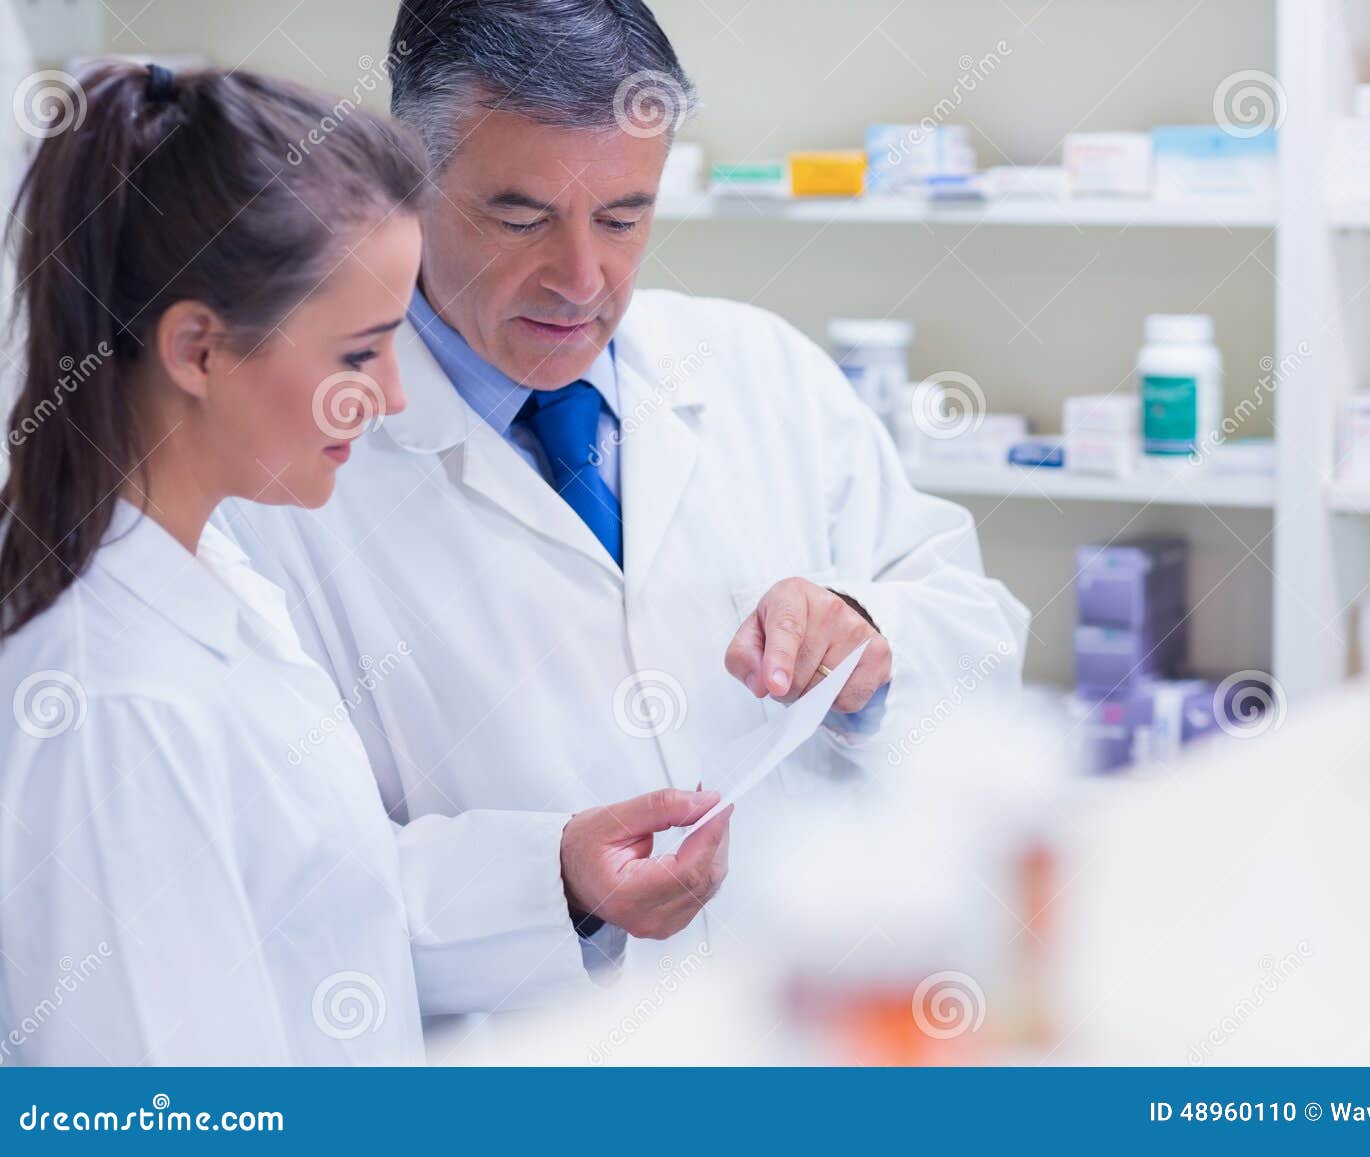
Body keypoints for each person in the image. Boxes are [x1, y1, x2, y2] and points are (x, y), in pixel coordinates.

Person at [221, 0, 1030, 995]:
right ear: (407, 184)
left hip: (803, 1021)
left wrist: (868, 647)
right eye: (521, 218)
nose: (580, 279)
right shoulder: (282, 477)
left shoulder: (760, 368)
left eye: (623, 217)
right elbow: (279, 880)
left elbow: (980, 643)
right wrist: (551, 881)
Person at [0, 61, 731, 1065]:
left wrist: (558, 875)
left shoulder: (213, 582)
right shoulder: (117, 704)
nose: (390, 396)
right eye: (359, 352)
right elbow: (152, 1116)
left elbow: (311, 900)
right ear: (198, 350)